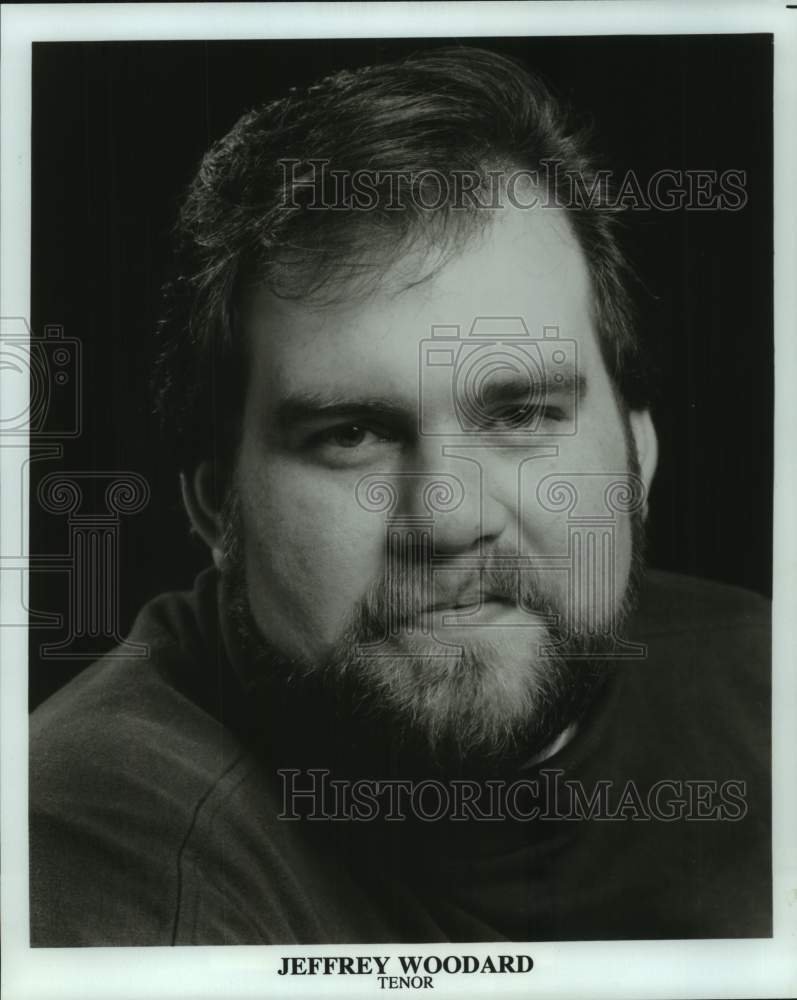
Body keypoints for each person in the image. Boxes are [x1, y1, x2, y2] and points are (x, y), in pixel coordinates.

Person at [29, 46, 770, 946]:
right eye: (351, 434)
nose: (449, 519)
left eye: (521, 414)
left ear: (637, 455)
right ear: (218, 508)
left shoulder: (763, 682)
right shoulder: (93, 838)